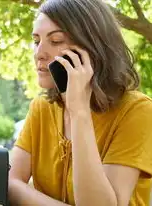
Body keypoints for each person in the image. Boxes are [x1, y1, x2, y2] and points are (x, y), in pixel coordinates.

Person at [8, 0, 152, 205]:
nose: (39, 53)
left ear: (92, 48)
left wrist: (79, 111)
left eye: (56, 41)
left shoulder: (137, 111)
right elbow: (10, 182)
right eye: (36, 40)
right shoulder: (42, 108)